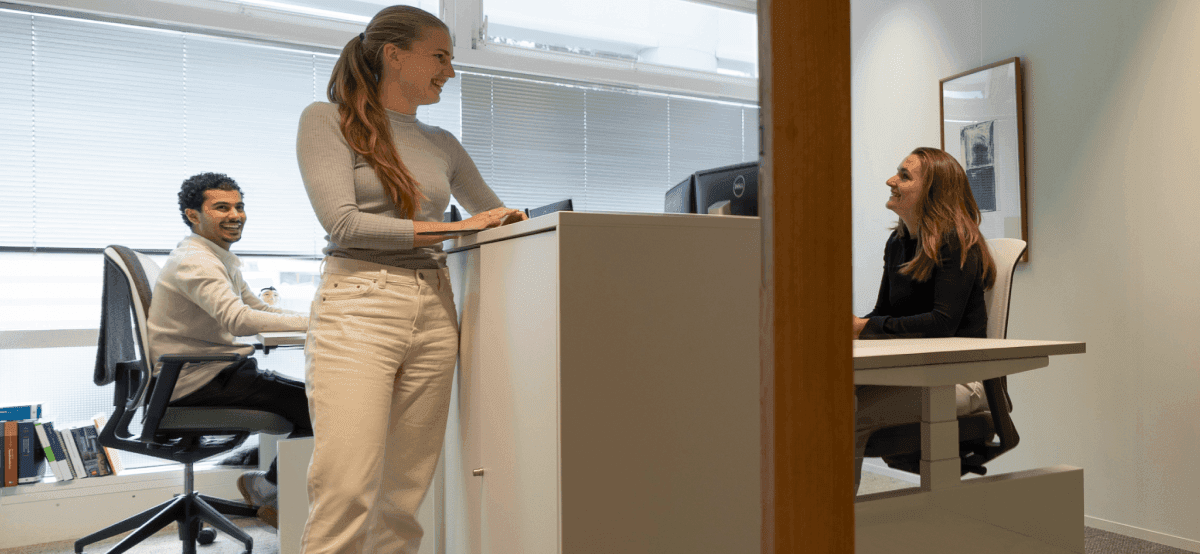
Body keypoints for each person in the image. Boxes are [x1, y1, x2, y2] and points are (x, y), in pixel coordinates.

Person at [295, 6, 525, 553]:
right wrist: (458, 227)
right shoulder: (326, 120)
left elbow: (495, 214)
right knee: (346, 488)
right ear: (394, 56)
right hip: (359, 305)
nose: (451, 70)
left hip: (435, 310)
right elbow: (344, 224)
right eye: (441, 56)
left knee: (403, 495)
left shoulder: (441, 141)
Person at [147, 172, 312, 527]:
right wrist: (319, 323)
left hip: (215, 372)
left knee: (315, 400)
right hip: (198, 382)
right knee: (321, 409)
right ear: (193, 215)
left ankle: (267, 486)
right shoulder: (197, 262)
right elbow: (239, 320)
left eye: (239, 206)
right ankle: (268, 489)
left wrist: (317, 315)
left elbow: (261, 309)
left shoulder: (215, 255)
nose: (235, 215)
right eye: (221, 207)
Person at [850, 147, 997, 493]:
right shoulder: (898, 242)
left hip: (960, 379)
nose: (891, 181)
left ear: (932, 191)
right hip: (922, 373)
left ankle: (833, 525)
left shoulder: (956, 241)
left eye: (904, 176)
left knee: (847, 415)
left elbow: (941, 324)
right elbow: (885, 313)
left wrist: (865, 328)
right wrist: (856, 325)